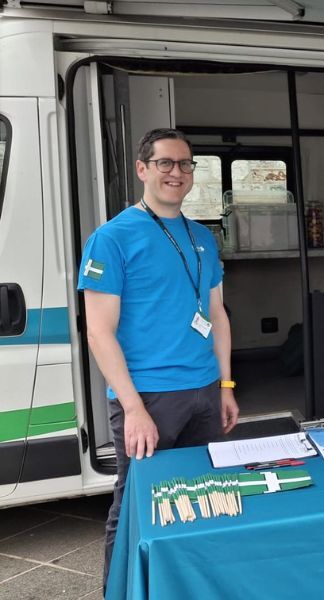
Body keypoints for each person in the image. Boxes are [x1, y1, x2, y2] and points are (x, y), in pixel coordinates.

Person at [78, 128, 239, 588]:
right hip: (149, 397)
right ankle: (122, 590)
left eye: (185, 164)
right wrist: (133, 409)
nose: (177, 173)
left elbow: (217, 314)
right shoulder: (112, 238)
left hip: (205, 393)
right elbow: (100, 332)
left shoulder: (202, 237)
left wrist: (225, 385)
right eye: (166, 163)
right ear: (142, 169)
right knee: (135, 508)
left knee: (201, 498)